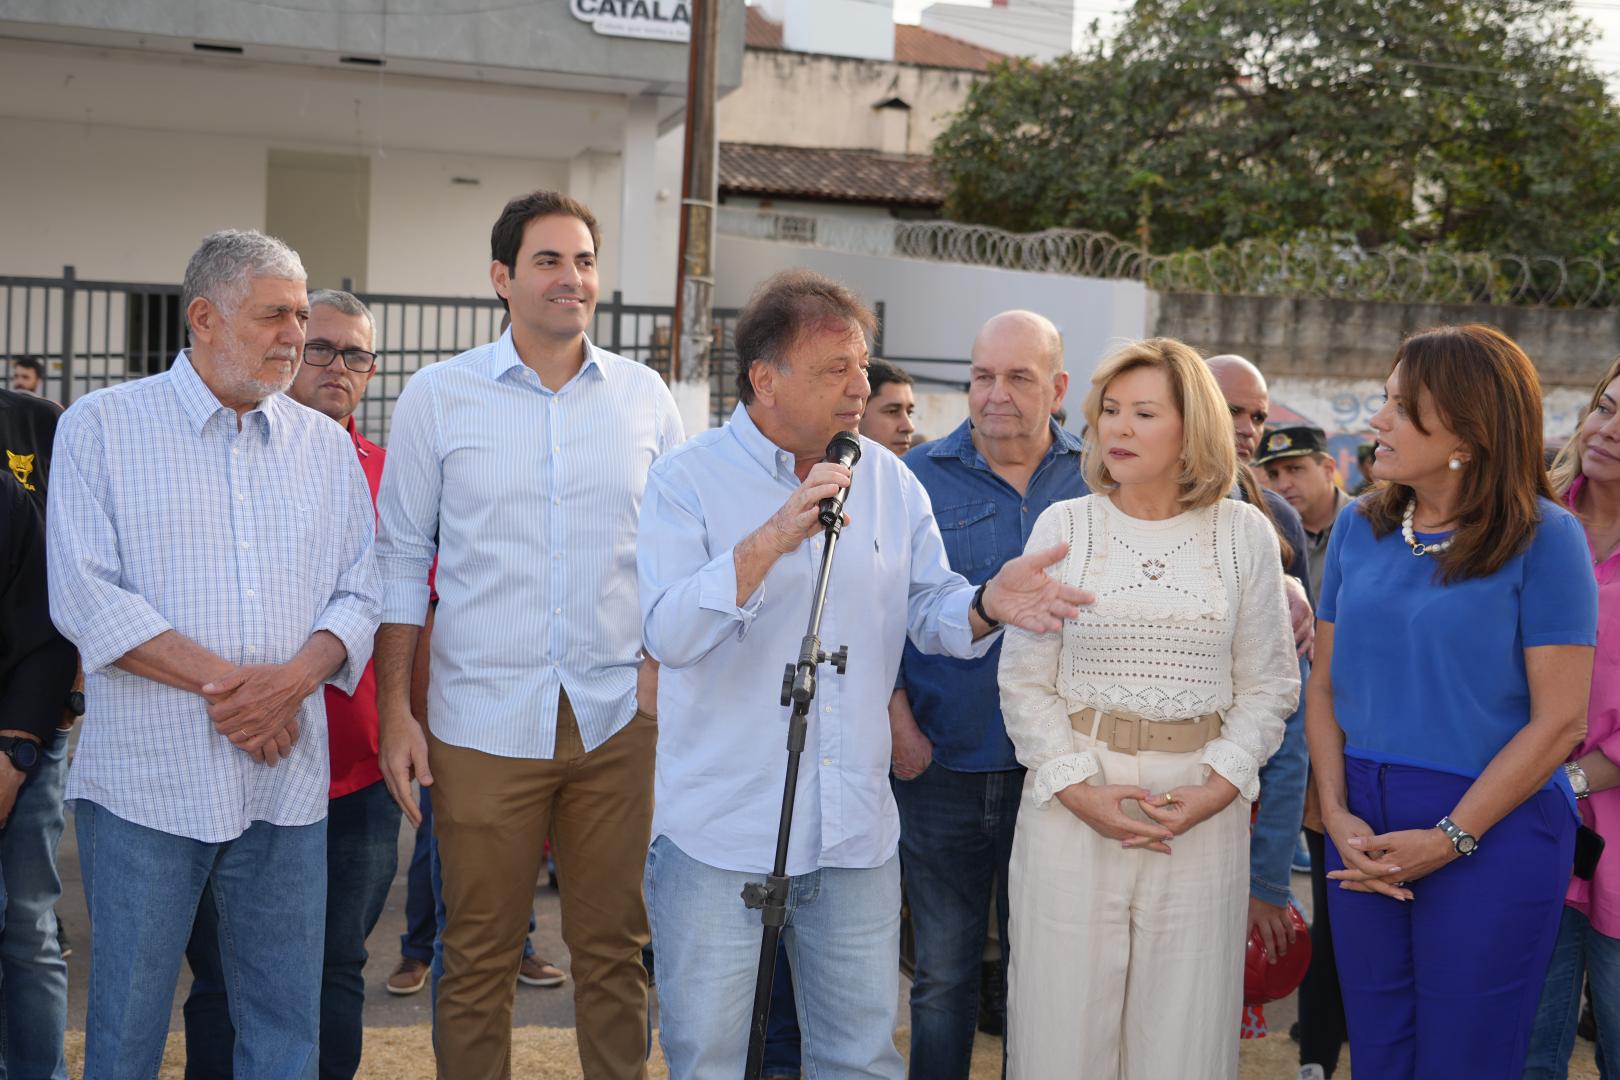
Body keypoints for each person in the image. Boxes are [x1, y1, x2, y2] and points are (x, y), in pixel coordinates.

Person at [636, 269, 1090, 1077]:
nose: (862, 386)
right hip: (721, 834)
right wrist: (774, 536)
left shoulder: (888, 479)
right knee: (707, 1056)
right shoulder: (687, 480)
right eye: (835, 369)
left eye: (864, 364)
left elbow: (931, 610)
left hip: (856, 835)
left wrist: (988, 603)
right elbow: (669, 633)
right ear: (764, 380)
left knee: (860, 1060)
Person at [46, 229, 381, 1078]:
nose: (296, 337)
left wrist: (295, 679)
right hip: (147, 789)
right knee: (126, 1027)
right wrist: (241, 692)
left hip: (284, 785)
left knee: (282, 1029)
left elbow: (361, 591)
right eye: (276, 315)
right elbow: (87, 598)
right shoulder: (103, 428)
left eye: (301, 316)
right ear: (203, 316)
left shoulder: (326, 446)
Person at [374, 190, 682, 1080]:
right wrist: (398, 713)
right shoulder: (439, 396)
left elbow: (674, 552)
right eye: (548, 260)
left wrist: (662, 674)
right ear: (502, 278)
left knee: (615, 951)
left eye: (584, 260)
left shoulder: (645, 397)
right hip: (480, 723)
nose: (571, 278)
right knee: (475, 957)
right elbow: (400, 560)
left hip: (618, 720)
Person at [998, 336, 1297, 1079]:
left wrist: (1217, 787)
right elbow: (1025, 681)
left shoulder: (1244, 535)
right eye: (1109, 411)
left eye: (1143, 412)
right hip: (1073, 806)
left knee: (1184, 1035)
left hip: (1200, 809)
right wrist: (1079, 791)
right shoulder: (1065, 527)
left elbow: (1269, 685)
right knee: (1061, 1029)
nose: (1119, 428)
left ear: (1192, 425)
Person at [1306, 324, 1596, 1078]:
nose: (1378, 421)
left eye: (1402, 407)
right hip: (1362, 826)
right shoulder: (1356, 526)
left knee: (1466, 1057)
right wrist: (1336, 816)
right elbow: (1325, 684)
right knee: (1380, 1051)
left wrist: (1449, 838)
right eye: (1383, 400)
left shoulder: (1547, 538)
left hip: (1490, 830)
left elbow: (1560, 718)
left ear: (1469, 427)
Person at [179, 289, 412, 1079]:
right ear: (288, 346)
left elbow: (414, 613)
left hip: (355, 775)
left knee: (334, 967)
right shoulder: (224, 459)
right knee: (224, 977)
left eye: (357, 355)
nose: (338, 367)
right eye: (322, 348)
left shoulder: (392, 478)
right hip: (236, 757)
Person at [890, 309, 1085, 1078]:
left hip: (1062, 776)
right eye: (981, 376)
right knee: (944, 976)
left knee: (1045, 977)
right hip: (942, 766)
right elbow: (878, 617)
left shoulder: (1099, 479)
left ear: (1058, 388)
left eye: (1018, 377)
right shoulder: (914, 480)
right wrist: (898, 722)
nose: (995, 394)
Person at [1204, 354, 1314, 1048]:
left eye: (1258, 416)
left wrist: (1269, 878)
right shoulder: (1105, 510)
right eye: (1232, 409)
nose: (1248, 429)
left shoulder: (1276, 521)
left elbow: (1290, 721)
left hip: (1234, 811)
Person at [1524, 354, 1620, 1079]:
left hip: (1604, 834)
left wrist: (1570, 779)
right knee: (1525, 1055)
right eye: (1609, 407)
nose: (1611, 431)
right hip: (1523, 834)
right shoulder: (1531, 520)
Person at [0, 389, 77, 1080]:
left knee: (27, 929)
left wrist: (20, 743)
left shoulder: (41, 425)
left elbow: (67, 580)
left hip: (24, 728)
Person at [1256, 425, 1351, 600]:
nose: (1283, 485)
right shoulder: (1267, 531)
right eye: (1273, 474)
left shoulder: (1368, 523)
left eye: (1294, 469)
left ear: (1328, 469)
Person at [859, 358, 916, 457]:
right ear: (856, 411)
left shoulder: (914, 470)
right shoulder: (827, 469)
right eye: (892, 411)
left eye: (909, 412)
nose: (909, 427)